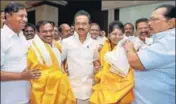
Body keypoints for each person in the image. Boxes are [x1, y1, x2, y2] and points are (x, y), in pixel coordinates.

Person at [122, 4, 175, 104]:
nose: (149, 23)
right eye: (150, 19)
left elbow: (136, 63)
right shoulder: (160, 39)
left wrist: (129, 48)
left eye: (155, 20)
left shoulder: (170, 41)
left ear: (171, 23)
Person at [1, 2, 41, 104]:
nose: (25, 19)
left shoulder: (22, 36)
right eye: (21, 16)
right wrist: (21, 76)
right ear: (8, 16)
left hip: (26, 96)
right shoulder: (2, 38)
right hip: (8, 99)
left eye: (26, 16)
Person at [27, 20, 76, 104]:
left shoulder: (57, 45)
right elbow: (32, 72)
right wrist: (57, 75)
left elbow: (61, 65)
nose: (49, 34)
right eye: (44, 31)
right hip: (41, 92)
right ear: (37, 32)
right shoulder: (29, 46)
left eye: (50, 31)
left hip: (59, 90)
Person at [61, 10, 101, 104]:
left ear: (89, 25)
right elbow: (59, 61)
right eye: (78, 24)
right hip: (71, 91)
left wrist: (97, 68)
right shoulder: (66, 42)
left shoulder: (94, 44)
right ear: (74, 25)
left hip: (90, 91)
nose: (81, 27)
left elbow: (96, 62)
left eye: (84, 24)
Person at [90, 21, 134, 104]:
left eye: (120, 34)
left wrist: (118, 95)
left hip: (121, 91)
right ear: (109, 34)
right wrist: (98, 71)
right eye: (114, 34)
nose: (117, 37)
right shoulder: (105, 46)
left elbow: (130, 73)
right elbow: (101, 66)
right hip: (104, 88)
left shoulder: (127, 48)